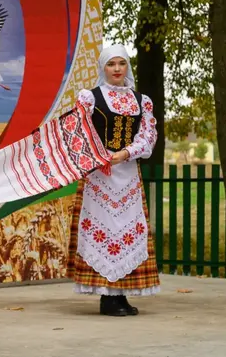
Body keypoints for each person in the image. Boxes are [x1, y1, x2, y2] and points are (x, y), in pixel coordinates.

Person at [68, 45, 159, 315]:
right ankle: (107, 297)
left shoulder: (142, 100)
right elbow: (79, 132)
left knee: (129, 231)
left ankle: (121, 295)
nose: (117, 68)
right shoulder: (89, 97)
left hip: (128, 174)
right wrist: (102, 156)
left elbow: (148, 136)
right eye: (111, 64)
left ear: (127, 67)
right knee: (103, 230)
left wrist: (126, 153)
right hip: (99, 175)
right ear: (103, 68)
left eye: (121, 63)